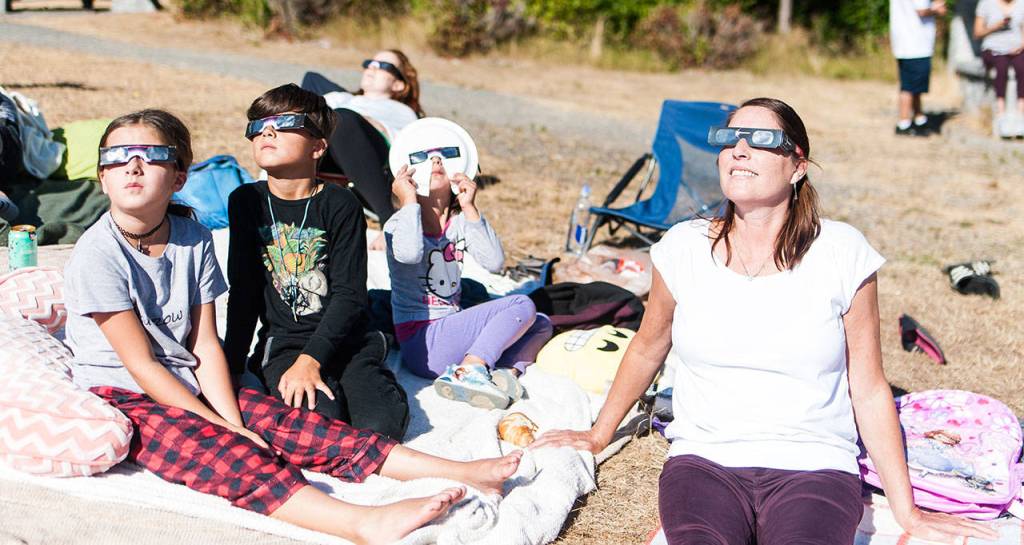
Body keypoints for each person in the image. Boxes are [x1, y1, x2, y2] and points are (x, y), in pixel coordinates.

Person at [533, 98, 999, 545]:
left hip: (814, 464)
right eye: (730, 138)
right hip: (705, 461)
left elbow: (870, 385)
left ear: (797, 166)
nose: (739, 150)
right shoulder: (683, 248)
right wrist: (598, 433)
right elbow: (648, 346)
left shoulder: (840, 252)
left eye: (760, 140)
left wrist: (907, 511)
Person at [63, 109, 523, 545]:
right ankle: (362, 522)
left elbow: (203, 344)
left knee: (291, 424)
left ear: (179, 177)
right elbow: (142, 365)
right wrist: (222, 427)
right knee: (227, 453)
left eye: (152, 155)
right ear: (102, 177)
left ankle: (460, 471)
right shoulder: (97, 253)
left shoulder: (193, 236)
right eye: (118, 157)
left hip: (185, 377)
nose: (134, 165)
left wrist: (232, 414)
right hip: (126, 393)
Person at [224, 84, 409, 440]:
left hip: (348, 341)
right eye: (257, 125)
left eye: (284, 122)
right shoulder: (245, 201)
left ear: (318, 145)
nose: (267, 131)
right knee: (320, 426)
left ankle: (376, 357)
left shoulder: (340, 204)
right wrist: (232, 366)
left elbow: (350, 296)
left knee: (380, 429)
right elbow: (244, 292)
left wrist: (314, 361)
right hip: (285, 342)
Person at [384, 151, 552, 410]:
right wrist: (408, 202)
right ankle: (470, 371)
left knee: (541, 323)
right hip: (422, 340)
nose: (436, 160)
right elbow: (409, 253)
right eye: (424, 156)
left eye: (443, 155)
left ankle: (503, 375)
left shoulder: (460, 222)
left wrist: (470, 208)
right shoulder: (399, 223)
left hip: (452, 333)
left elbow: (494, 262)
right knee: (522, 304)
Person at [301, 49, 424, 231]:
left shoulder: (400, 110)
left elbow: (401, 144)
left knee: (341, 119)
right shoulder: (342, 98)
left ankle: (389, 217)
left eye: (383, 66)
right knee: (309, 82)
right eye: (369, 63)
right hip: (325, 150)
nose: (371, 68)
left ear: (398, 84)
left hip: (368, 161)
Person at [890, 0, 947, 136]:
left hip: (905, 43)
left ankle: (919, 118)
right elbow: (921, 10)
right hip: (916, 44)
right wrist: (936, 9)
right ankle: (904, 123)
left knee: (914, 86)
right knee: (909, 87)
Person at [975, 0, 1024, 132]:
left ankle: (1020, 116)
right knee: (1001, 68)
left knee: (1022, 68)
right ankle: (1001, 115)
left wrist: (1020, 46)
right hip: (993, 48)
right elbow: (977, 33)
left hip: (1016, 49)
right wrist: (995, 27)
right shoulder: (986, 3)